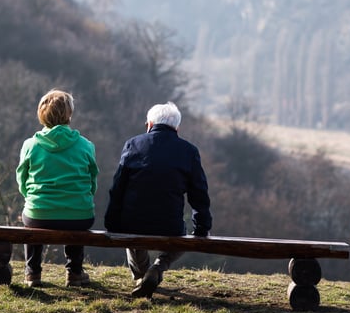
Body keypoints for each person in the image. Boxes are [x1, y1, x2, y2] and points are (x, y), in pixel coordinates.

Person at [104, 101, 211, 298]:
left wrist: (112, 222)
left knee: (131, 234)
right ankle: (158, 268)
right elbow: (199, 193)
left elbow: (118, 188)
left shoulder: (133, 144)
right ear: (176, 128)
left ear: (149, 125)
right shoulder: (189, 151)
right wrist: (202, 227)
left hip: (133, 224)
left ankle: (142, 275)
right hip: (169, 225)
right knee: (183, 236)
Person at [16, 89, 98, 288]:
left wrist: (35, 199)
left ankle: (32, 272)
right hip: (80, 213)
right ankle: (75, 273)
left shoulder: (30, 145)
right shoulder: (85, 145)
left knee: (31, 220)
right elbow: (92, 181)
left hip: (39, 212)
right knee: (76, 215)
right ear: (69, 114)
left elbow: (22, 180)